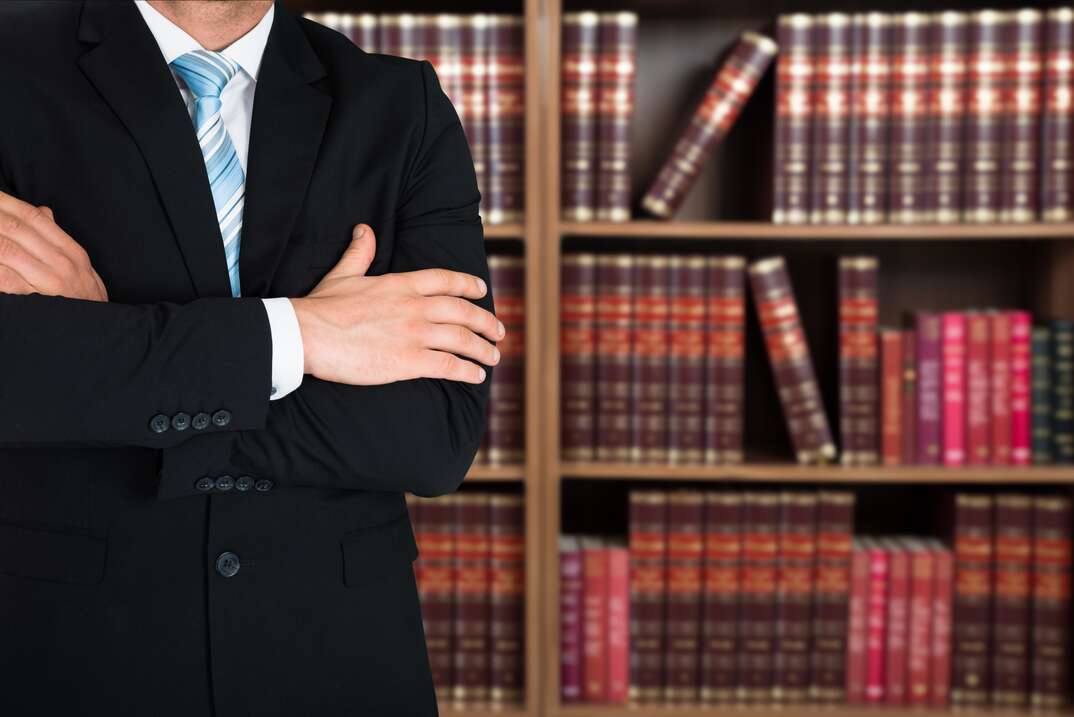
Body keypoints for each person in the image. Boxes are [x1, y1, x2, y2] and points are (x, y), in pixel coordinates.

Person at [0, 1, 499, 714]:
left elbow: (433, 436)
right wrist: (302, 336)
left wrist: (110, 356)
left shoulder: (400, 108)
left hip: (339, 665)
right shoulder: (11, 71)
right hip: (69, 660)